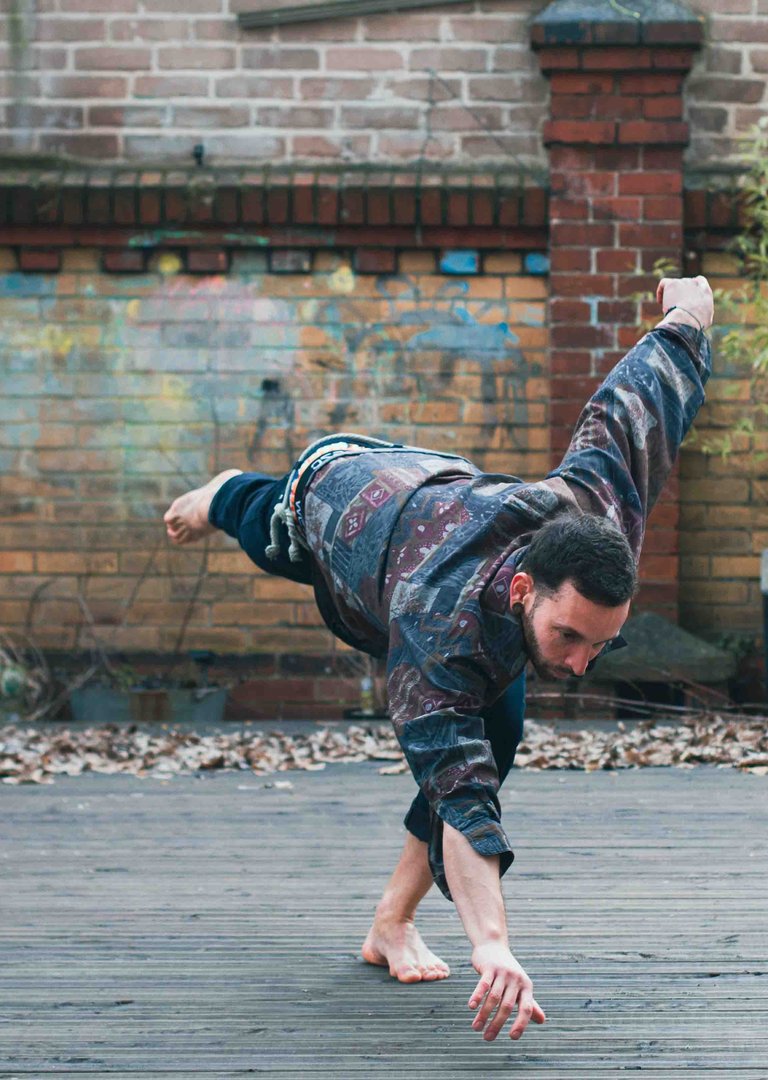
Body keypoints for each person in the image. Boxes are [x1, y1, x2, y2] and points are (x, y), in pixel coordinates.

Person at [164, 275, 714, 1042]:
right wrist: (492, 945)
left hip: (432, 484)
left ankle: (390, 924)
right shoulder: (435, 631)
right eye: (570, 638)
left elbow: (639, 397)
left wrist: (689, 309)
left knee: (499, 737)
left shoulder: (595, 511)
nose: (584, 664)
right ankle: (224, 492)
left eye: (601, 643)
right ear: (526, 589)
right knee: (267, 525)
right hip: (334, 495)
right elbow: (461, 800)